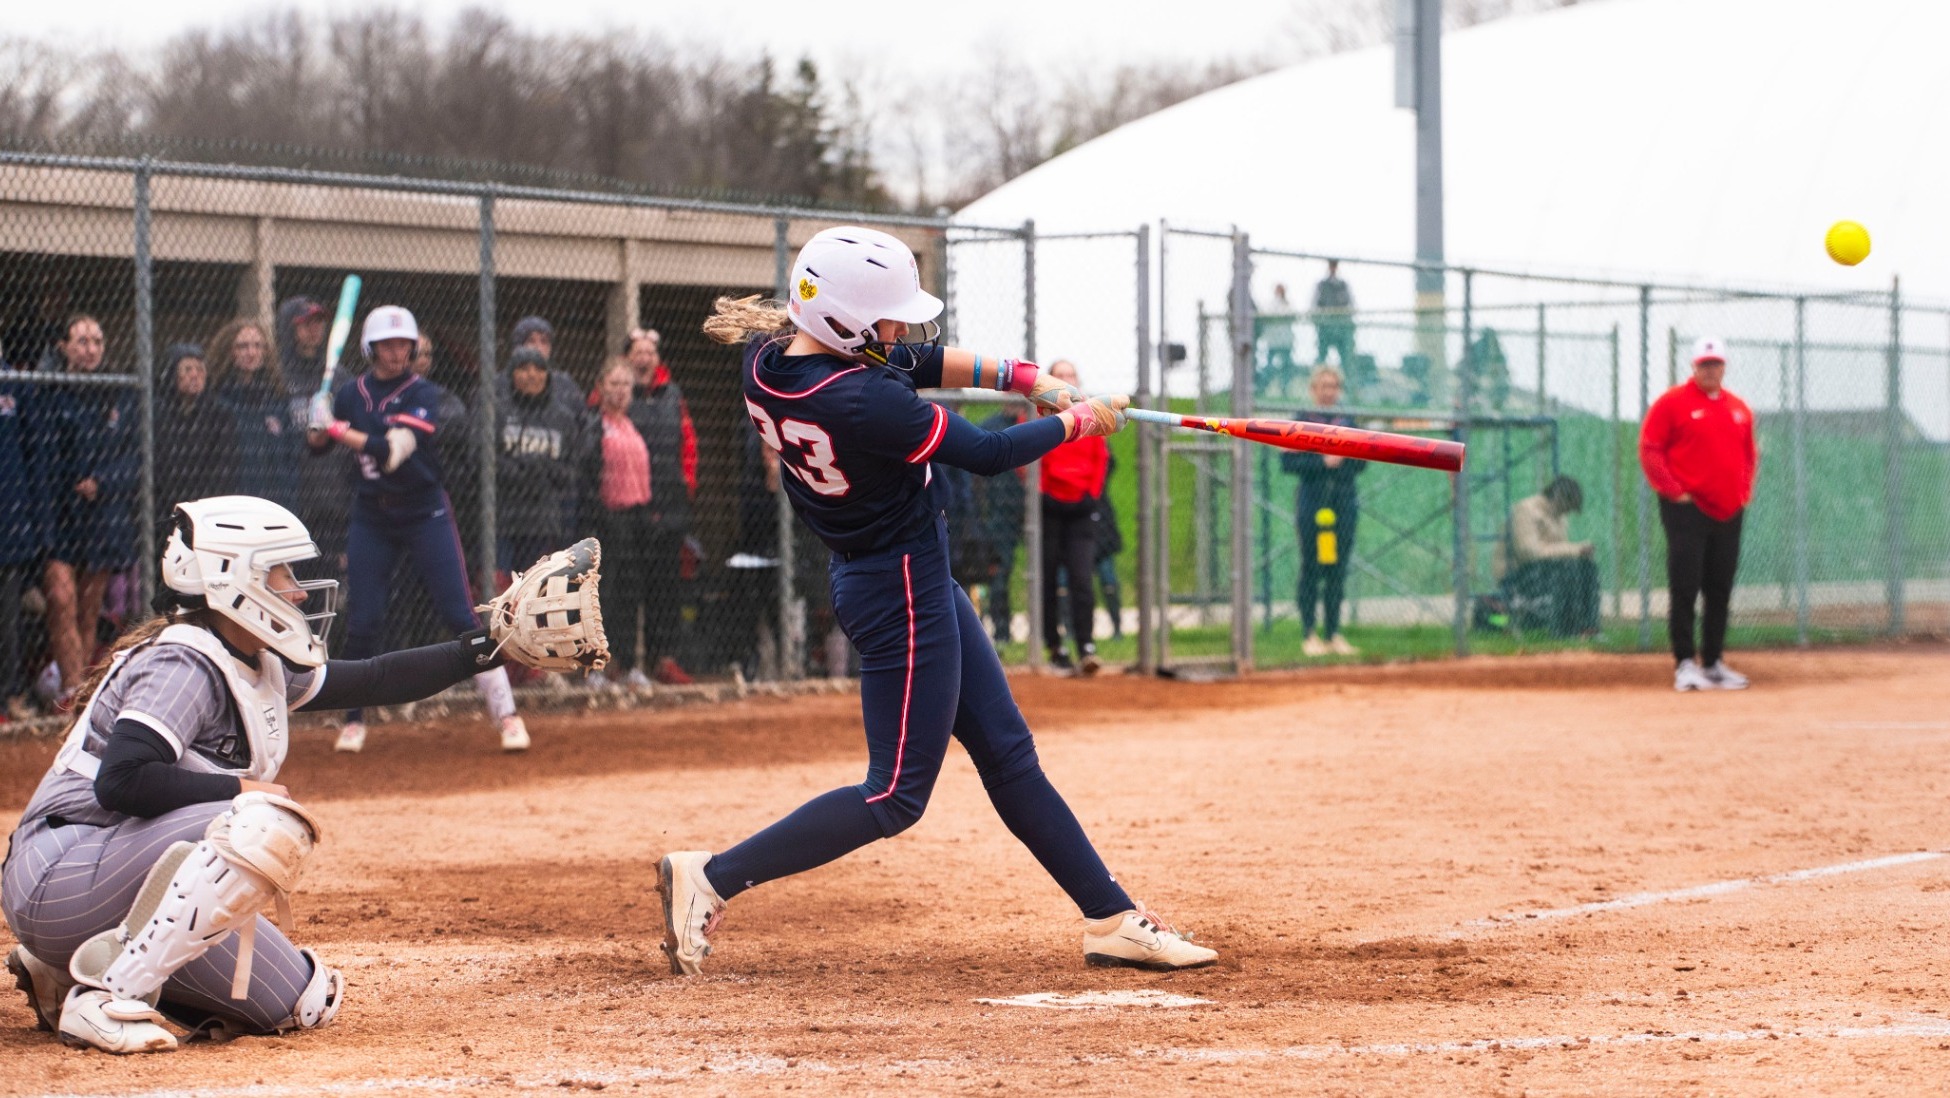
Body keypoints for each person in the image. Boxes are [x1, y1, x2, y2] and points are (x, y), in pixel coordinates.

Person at [665, 225, 1216, 977]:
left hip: (897, 575)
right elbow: (987, 454)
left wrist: (1029, 379)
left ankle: (1112, 917)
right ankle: (712, 877)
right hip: (899, 586)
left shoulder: (771, 362)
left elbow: (913, 359)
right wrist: (1075, 422)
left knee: (1009, 756)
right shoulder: (862, 403)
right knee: (893, 794)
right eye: (885, 314)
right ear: (846, 321)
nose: (897, 328)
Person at [1, 495, 560, 1054]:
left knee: (299, 1002)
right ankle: (105, 996)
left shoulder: (254, 658)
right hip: (58, 871)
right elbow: (121, 780)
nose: (297, 590)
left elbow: (372, 679)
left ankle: (62, 967)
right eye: (282, 572)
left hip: (111, 882)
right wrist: (239, 791)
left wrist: (492, 645)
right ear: (231, 578)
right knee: (261, 819)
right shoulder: (183, 661)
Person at [305, 305, 529, 752]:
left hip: (425, 511)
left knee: (459, 615)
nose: (396, 352)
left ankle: (507, 715)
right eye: (387, 345)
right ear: (371, 348)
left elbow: (392, 451)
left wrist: (333, 427)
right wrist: (315, 420)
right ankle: (353, 721)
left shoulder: (424, 392)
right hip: (372, 514)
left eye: (403, 344)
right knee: (364, 621)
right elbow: (317, 446)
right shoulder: (350, 394)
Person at [1640, 336, 1758, 692]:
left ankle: (1714, 662)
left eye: (1716, 364)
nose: (1710, 369)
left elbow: (1748, 455)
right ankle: (1685, 664)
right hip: (1687, 510)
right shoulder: (1672, 404)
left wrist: (1742, 493)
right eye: (1704, 364)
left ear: (1724, 367)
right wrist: (1675, 491)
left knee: (1719, 587)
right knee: (1685, 585)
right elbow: (1650, 448)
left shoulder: (1739, 408)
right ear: (1694, 367)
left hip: (1728, 510)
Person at [36, 315, 141, 705]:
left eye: (97, 341)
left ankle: (79, 697)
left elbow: (133, 459)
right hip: (57, 513)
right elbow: (40, 456)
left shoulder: (117, 393)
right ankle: (70, 689)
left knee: (89, 605)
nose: (91, 348)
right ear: (64, 347)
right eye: (81, 341)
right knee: (61, 597)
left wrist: (102, 482)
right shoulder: (48, 392)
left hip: (100, 516)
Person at [618, 328, 699, 685]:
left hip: (668, 504)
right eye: (638, 351)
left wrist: (686, 489)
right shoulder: (618, 393)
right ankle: (620, 663)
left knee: (665, 586)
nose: (644, 357)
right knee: (625, 586)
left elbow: (689, 446)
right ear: (627, 357)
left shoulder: (673, 395)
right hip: (627, 504)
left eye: (650, 351)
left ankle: (662, 660)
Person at [581, 359, 663, 691]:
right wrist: (598, 516)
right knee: (605, 597)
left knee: (631, 595)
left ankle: (629, 666)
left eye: (626, 386)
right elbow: (586, 475)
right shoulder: (594, 425)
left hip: (635, 520)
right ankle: (595, 669)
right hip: (606, 520)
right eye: (614, 385)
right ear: (600, 387)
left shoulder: (631, 425)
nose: (620, 392)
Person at [1282, 364, 1364, 657]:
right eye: (1323, 386)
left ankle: (1333, 633)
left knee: (1337, 569)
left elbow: (1362, 462)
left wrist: (1343, 460)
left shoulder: (1349, 422)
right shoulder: (1302, 422)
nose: (1328, 391)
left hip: (1342, 502)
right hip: (1312, 502)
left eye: (1333, 386)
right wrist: (1322, 462)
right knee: (1311, 567)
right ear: (1313, 390)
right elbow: (1288, 463)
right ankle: (1309, 633)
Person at [1038, 359, 1109, 675]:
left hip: (1081, 509)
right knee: (1048, 579)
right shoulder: (1043, 416)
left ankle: (1086, 647)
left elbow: (1100, 459)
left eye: (1071, 376)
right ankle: (1055, 646)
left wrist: (1090, 494)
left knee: (1082, 578)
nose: (1066, 380)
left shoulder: (1090, 417)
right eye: (1060, 376)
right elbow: (1032, 460)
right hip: (1050, 508)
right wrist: (1043, 492)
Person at [495, 348, 580, 591]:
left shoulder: (562, 418)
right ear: (512, 374)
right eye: (524, 368)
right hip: (503, 518)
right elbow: (482, 459)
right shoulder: (498, 412)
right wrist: (520, 471)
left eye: (539, 369)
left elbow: (571, 469)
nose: (532, 375)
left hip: (544, 521)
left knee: (535, 590)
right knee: (502, 590)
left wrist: (541, 467)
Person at [0, 370, 51, 720]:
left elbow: (35, 459)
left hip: (9, 523)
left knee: (9, 621)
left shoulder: (14, 385)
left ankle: (12, 695)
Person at [207, 319, 298, 511]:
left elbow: (291, 456)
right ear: (229, 351)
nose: (251, 352)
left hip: (275, 505)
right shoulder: (216, 402)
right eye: (243, 346)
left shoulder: (277, 400)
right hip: (232, 504)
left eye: (258, 346)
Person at [1496, 475, 1599, 637]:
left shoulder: (1560, 517)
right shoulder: (1526, 510)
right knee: (1568, 566)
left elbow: (1560, 552)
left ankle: (1589, 627)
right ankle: (1565, 629)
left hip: (1549, 570)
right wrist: (1573, 550)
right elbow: (1529, 553)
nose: (1568, 512)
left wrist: (1576, 553)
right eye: (1568, 507)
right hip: (1517, 575)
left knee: (1587, 566)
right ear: (1558, 498)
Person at [154, 344, 238, 529]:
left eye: (200, 369)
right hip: (165, 507)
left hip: (207, 509)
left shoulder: (220, 414)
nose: (195, 375)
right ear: (173, 374)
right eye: (187, 369)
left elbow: (223, 467)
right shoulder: (157, 413)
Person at [510, 315, 585, 413]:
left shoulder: (566, 385)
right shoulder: (503, 383)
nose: (538, 347)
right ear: (518, 346)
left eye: (544, 341)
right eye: (531, 341)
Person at [1311, 260, 1356, 370]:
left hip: (1342, 327)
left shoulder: (1343, 285)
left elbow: (1351, 304)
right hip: (1325, 326)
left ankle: (1348, 385)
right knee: (1321, 357)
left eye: (1334, 266)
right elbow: (1315, 304)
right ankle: (1319, 384)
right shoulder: (1322, 285)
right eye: (1331, 266)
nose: (1333, 268)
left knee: (1346, 359)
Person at [1256, 282, 1299, 396]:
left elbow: (1292, 315)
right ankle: (1263, 387)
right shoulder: (1271, 304)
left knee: (1287, 366)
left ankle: (1284, 388)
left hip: (1286, 342)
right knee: (1269, 366)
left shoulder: (1288, 304)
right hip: (1273, 342)